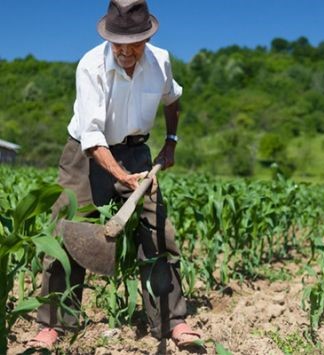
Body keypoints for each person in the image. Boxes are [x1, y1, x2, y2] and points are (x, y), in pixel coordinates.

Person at [28, 0, 200, 349]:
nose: (124, 51)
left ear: (146, 38)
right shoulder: (91, 66)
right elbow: (92, 139)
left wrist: (171, 141)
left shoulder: (160, 61)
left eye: (133, 44)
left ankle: (170, 320)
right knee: (65, 229)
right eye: (117, 44)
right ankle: (54, 322)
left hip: (137, 150)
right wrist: (121, 175)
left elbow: (172, 99)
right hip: (85, 154)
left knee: (158, 231)